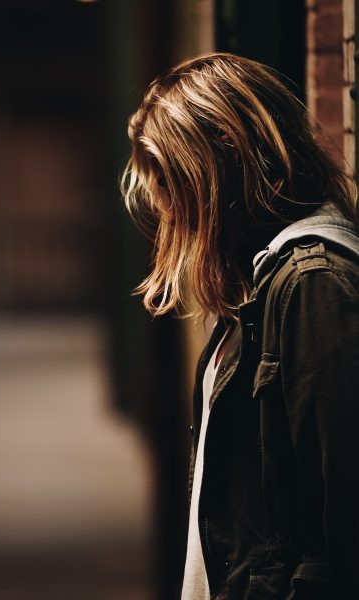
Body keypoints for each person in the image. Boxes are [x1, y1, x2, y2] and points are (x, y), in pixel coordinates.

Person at [120, 52, 359, 598]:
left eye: (172, 183)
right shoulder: (264, 283)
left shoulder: (312, 286)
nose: (168, 211)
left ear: (219, 166)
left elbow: (346, 518)